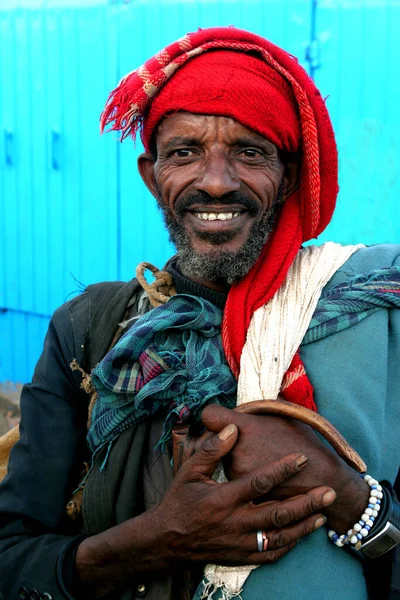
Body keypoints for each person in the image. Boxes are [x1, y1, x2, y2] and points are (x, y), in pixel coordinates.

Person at [0, 26, 399, 600]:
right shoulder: (89, 334)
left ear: (286, 176)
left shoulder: (370, 321)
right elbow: (13, 559)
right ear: (152, 177)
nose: (215, 182)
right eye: (185, 152)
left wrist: (350, 496)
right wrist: (158, 540)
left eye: (250, 152)